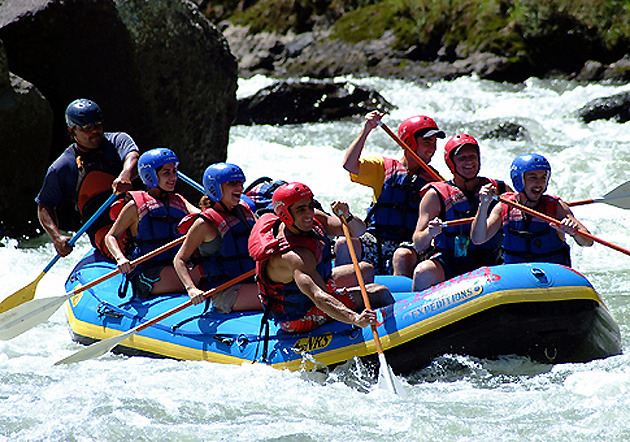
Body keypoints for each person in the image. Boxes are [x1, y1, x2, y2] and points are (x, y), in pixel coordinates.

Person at [248, 182, 393, 334]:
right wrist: (355, 318)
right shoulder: (294, 257)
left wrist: (347, 216)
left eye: (310, 206)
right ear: (285, 214)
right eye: (301, 209)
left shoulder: (315, 220)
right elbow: (319, 298)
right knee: (380, 293)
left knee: (365, 269)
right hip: (300, 317)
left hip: (316, 285)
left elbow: (358, 231)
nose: (309, 213)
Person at [339, 110, 445, 276]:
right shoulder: (382, 168)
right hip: (376, 240)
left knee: (401, 256)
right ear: (409, 142)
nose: (433, 148)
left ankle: (404, 298)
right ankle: (344, 291)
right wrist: (367, 129)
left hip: (409, 245)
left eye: (434, 143)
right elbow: (349, 164)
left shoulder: (436, 181)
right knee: (343, 244)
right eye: (427, 142)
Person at [35, 98, 139, 258]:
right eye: (86, 127)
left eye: (97, 125)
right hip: (104, 229)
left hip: (139, 215)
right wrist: (57, 238)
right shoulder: (63, 166)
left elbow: (133, 156)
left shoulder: (118, 141)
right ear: (72, 131)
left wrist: (126, 173)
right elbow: (45, 204)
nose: (95, 131)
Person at [411, 133, 512, 291]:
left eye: (473, 156)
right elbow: (418, 243)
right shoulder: (435, 195)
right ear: (451, 163)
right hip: (451, 262)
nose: (469, 162)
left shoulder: (499, 189)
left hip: (492, 260)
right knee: (423, 272)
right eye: (462, 158)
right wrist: (430, 233)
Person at [105, 148, 200, 298]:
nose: (173, 177)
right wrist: (120, 258)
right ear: (150, 176)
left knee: (208, 270)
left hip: (175, 267)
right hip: (146, 272)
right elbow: (110, 236)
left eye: (174, 172)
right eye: (166, 173)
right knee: (198, 275)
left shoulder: (179, 201)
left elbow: (204, 218)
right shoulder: (135, 206)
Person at [471, 153, 593, 266]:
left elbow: (588, 242)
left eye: (543, 177)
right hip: (515, 275)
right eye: (533, 177)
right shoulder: (505, 205)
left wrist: (573, 232)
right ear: (519, 180)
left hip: (551, 274)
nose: (539, 183)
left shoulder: (557, 206)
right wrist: (484, 205)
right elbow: (478, 239)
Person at [173, 163, 262, 313]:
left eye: (241, 183)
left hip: (251, 281)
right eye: (233, 183)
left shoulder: (245, 212)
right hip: (224, 292)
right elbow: (179, 260)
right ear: (215, 188)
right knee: (276, 299)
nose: (240, 188)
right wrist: (191, 289)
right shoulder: (204, 224)